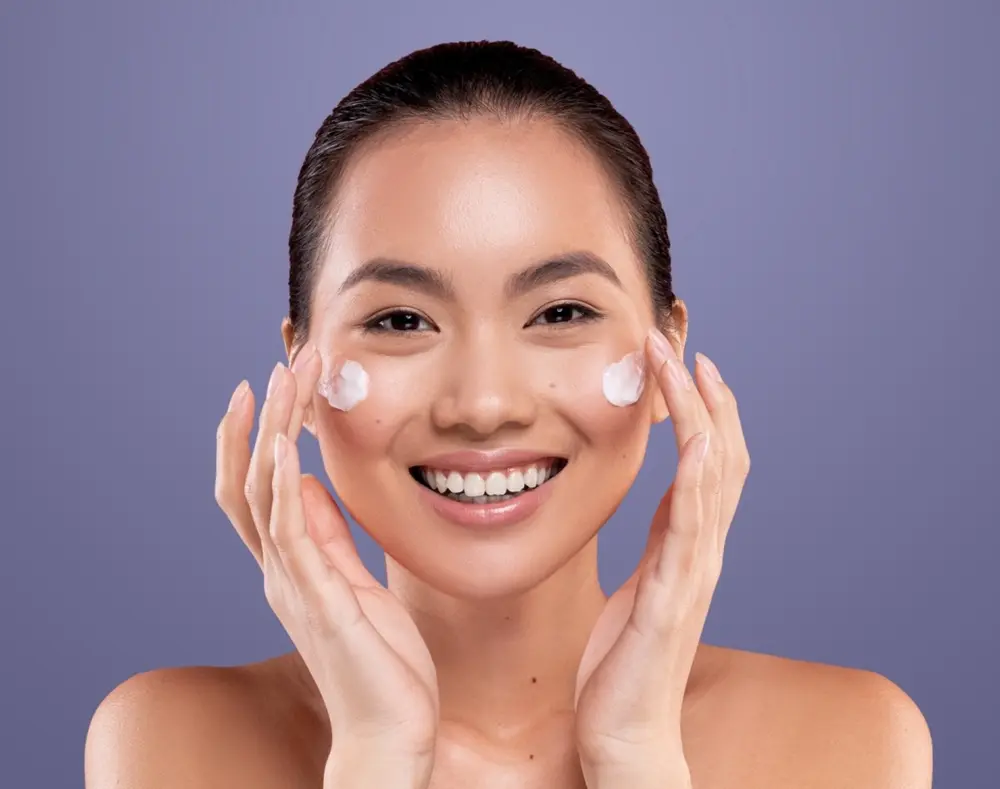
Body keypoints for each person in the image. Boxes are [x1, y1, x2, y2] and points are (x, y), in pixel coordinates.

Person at [84, 40, 932, 789]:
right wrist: (379, 753)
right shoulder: (172, 739)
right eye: (400, 320)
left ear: (667, 353)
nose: (484, 406)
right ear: (299, 375)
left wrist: (635, 756)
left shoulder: (848, 740)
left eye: (560, 312)